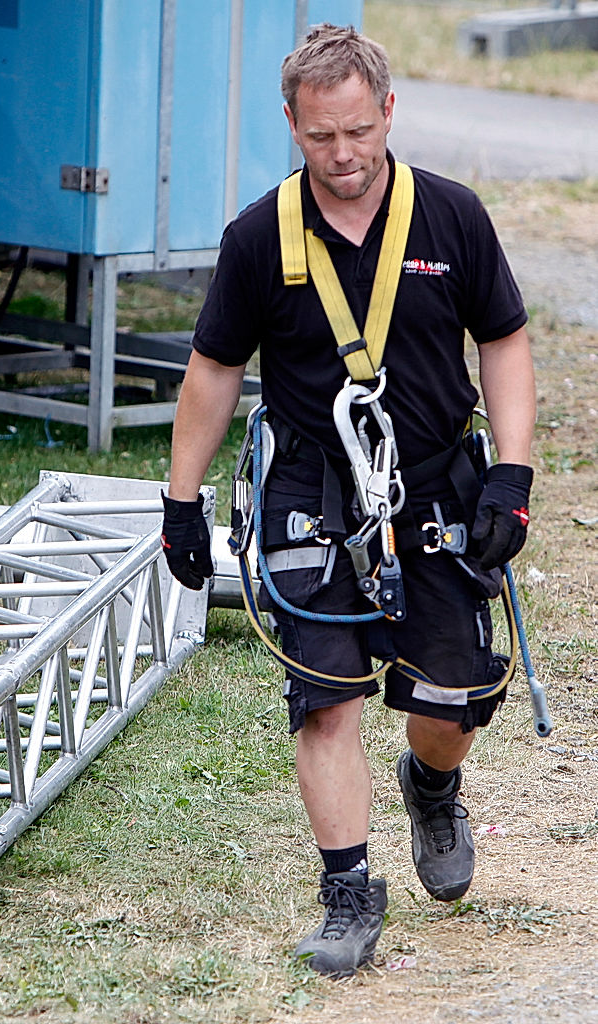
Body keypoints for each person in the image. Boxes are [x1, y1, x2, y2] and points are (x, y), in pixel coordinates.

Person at [160, 23, 535, 978]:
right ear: (292, 125)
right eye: (322, 135)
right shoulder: (259, 237)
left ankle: (431, 784)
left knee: (450, 701)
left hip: (434, 485)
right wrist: (180, 501)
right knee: (323, 702)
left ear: (388, 113)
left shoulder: (449, 217)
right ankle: (347, 892)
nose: (343, 155)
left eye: (359, 132)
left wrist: (511, 476)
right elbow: (213, 368)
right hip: (311, 491)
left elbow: (502, 338)